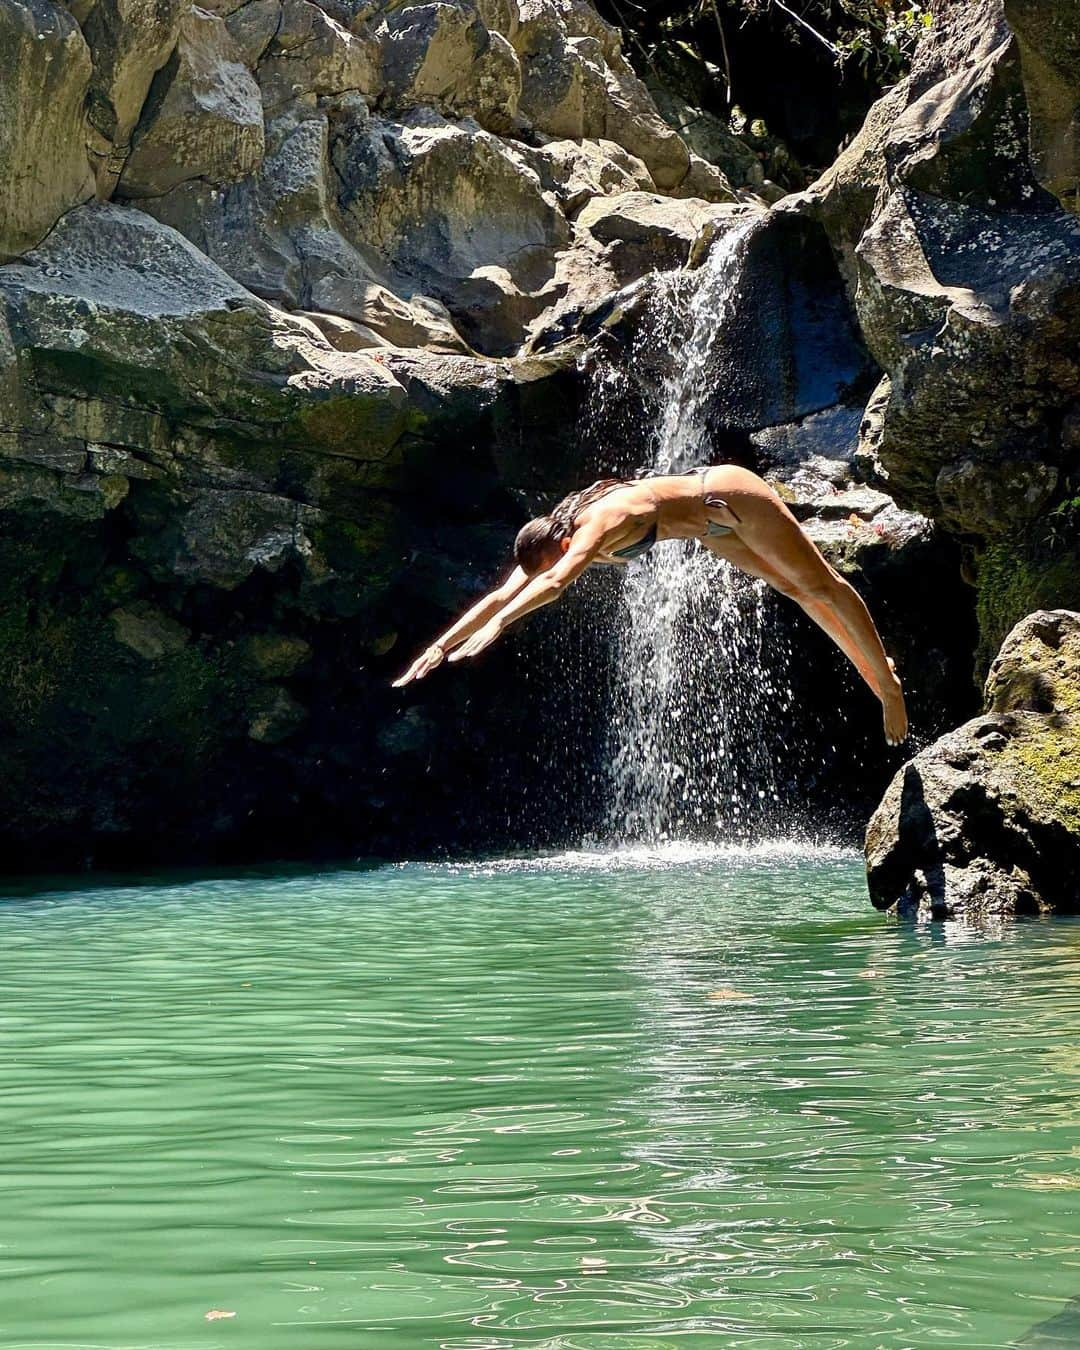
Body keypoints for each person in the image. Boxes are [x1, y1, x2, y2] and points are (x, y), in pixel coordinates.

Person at [393, 464, 908, 745]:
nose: (567, 562)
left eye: (562, 558)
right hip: (710, 527)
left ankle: (886, 688)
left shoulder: (597, 525)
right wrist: (440, 647)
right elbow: (509, 590)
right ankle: (874, 669)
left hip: (729, 496)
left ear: (560, 540)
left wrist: (502, 626)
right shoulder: (557, 535)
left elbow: (554, 585)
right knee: (794, 591)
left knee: (822, 585)